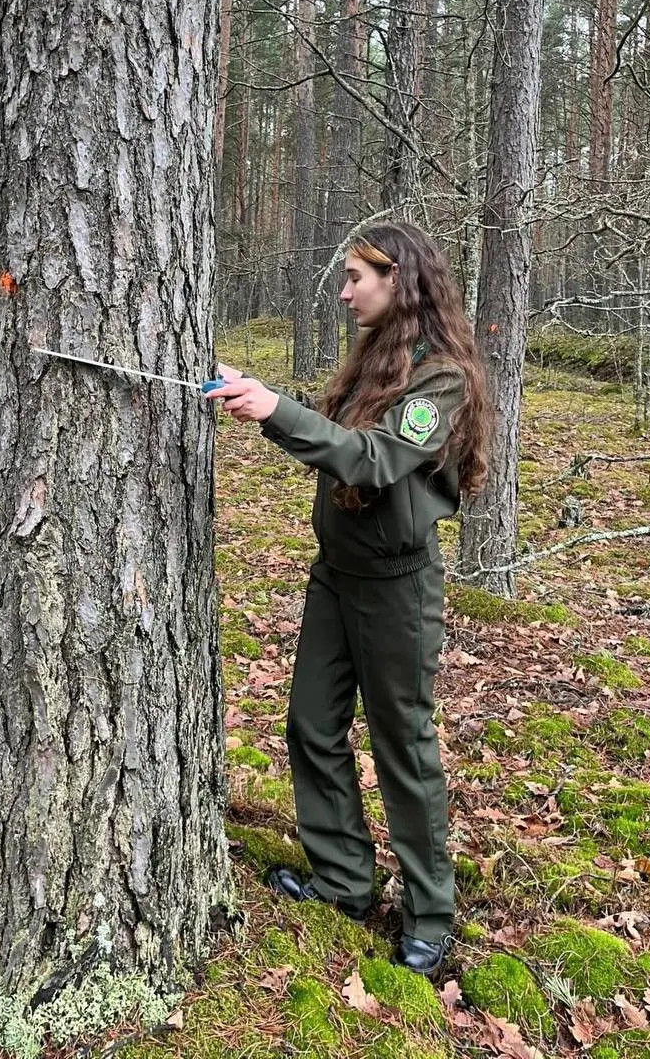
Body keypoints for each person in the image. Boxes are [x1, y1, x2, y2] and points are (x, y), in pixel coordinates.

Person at [208, 222, 491, 976]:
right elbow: (336, 433)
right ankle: (343, 882)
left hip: (397, 589)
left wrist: (275, 409)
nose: (343, 293)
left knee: (403, 748)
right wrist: (260, 397)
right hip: (336, 577)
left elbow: (372, 460)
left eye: (356, 278)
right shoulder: (377, 358)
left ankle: (430, 916)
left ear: (400, 280)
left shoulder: (443, 379)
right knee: (311, 724)